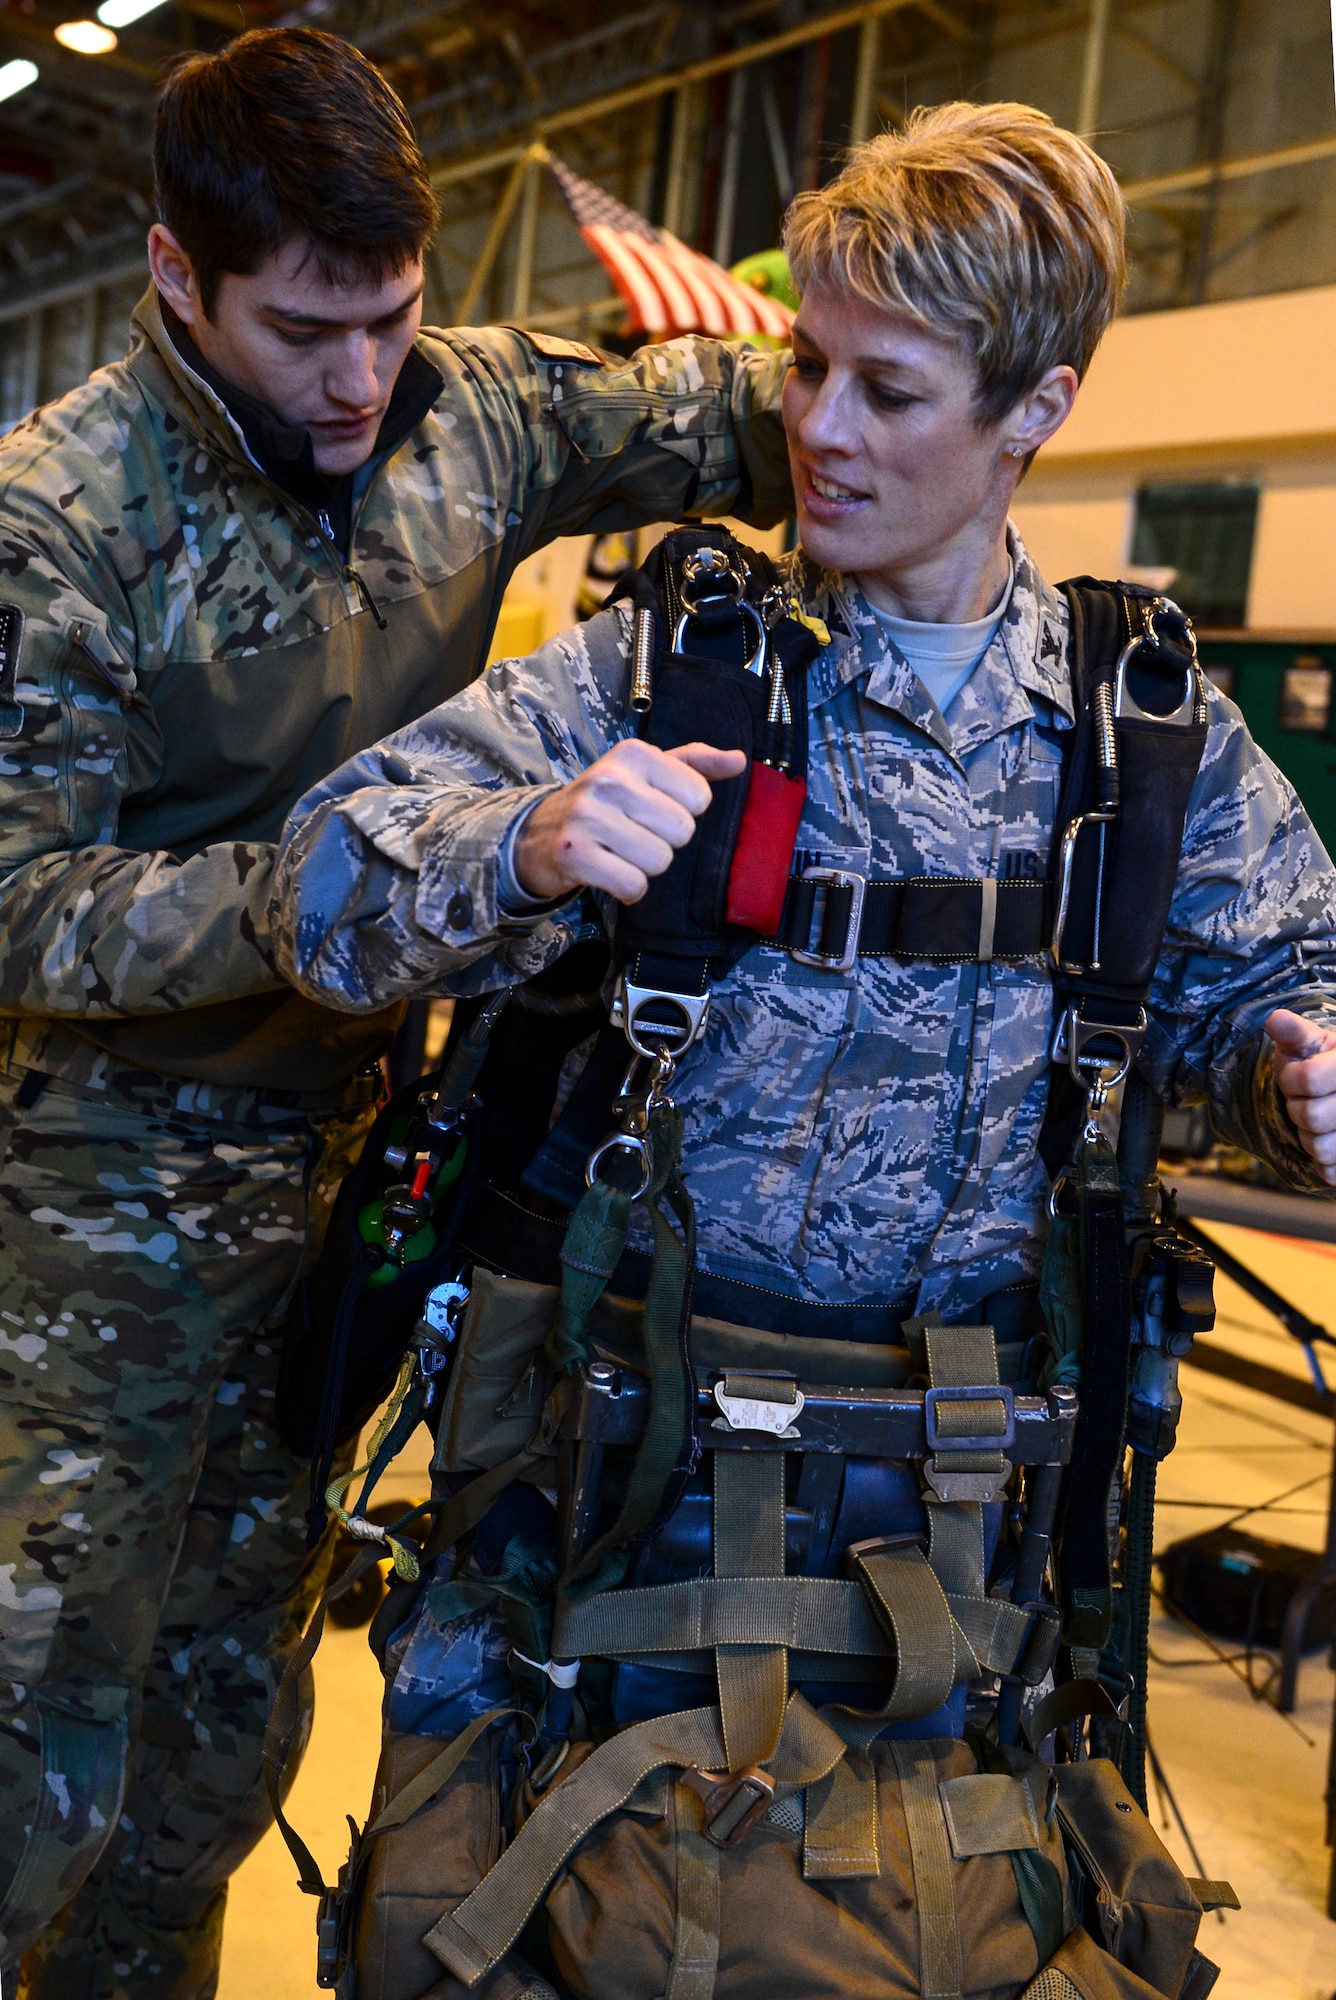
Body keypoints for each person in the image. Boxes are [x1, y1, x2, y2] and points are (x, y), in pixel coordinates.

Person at [270, 101, 1336, 1998]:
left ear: (1039, 408)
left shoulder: (1140, 729)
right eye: (808, 369)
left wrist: (1296, 1069)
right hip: (620, 1484)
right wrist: (515, 843)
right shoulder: (682, 666)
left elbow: (1276, 994)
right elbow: (323, 880)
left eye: (889, 391)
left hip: (975, 1516)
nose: (818, 433)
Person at [0, 26, 792, 1996]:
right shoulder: (61, 526)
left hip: (351, 1189)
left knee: (216, 1724)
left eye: (394, 314)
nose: (358, 378)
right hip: (89, 1218)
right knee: (35, 1725)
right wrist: (366, 883)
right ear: (177, 277)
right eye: (303, 330)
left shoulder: (470, 417)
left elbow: (795, 414)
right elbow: (18, 915)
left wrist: (867, 312)